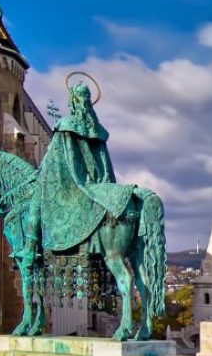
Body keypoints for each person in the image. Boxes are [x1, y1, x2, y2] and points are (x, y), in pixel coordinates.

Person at [25, 81, 133, 260]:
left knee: (37, 196)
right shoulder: (98, 130)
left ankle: (30, 249)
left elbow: (54, 159)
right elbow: (104, 163)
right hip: (99, 183)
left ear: (73, 101)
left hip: (75, 183)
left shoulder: (66, 124)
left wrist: (42, 170)